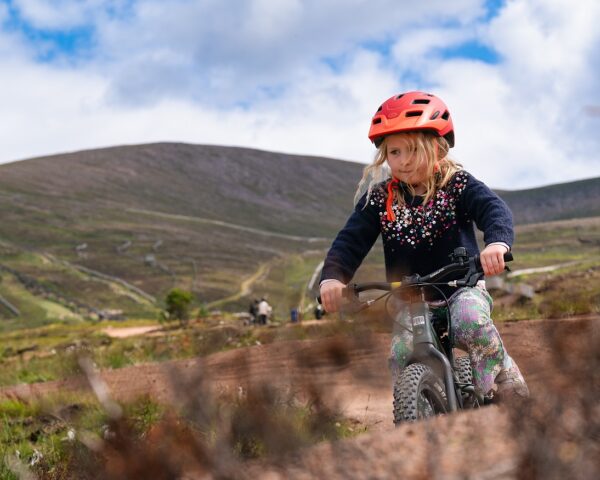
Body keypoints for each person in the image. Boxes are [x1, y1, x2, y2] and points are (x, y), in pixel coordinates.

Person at [319, 91, 529, 402]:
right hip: (411, 298)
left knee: (470, 322)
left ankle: (503, 382)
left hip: (462, 287)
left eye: (414, 151)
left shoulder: (456, 184)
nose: (403, 162)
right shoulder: (380, 199)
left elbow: (492, 209)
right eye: (394, 152)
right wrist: (333, 278)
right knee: (402, 351)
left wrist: (496, 243)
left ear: (438, 148)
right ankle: (420, 405)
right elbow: (350, 240)